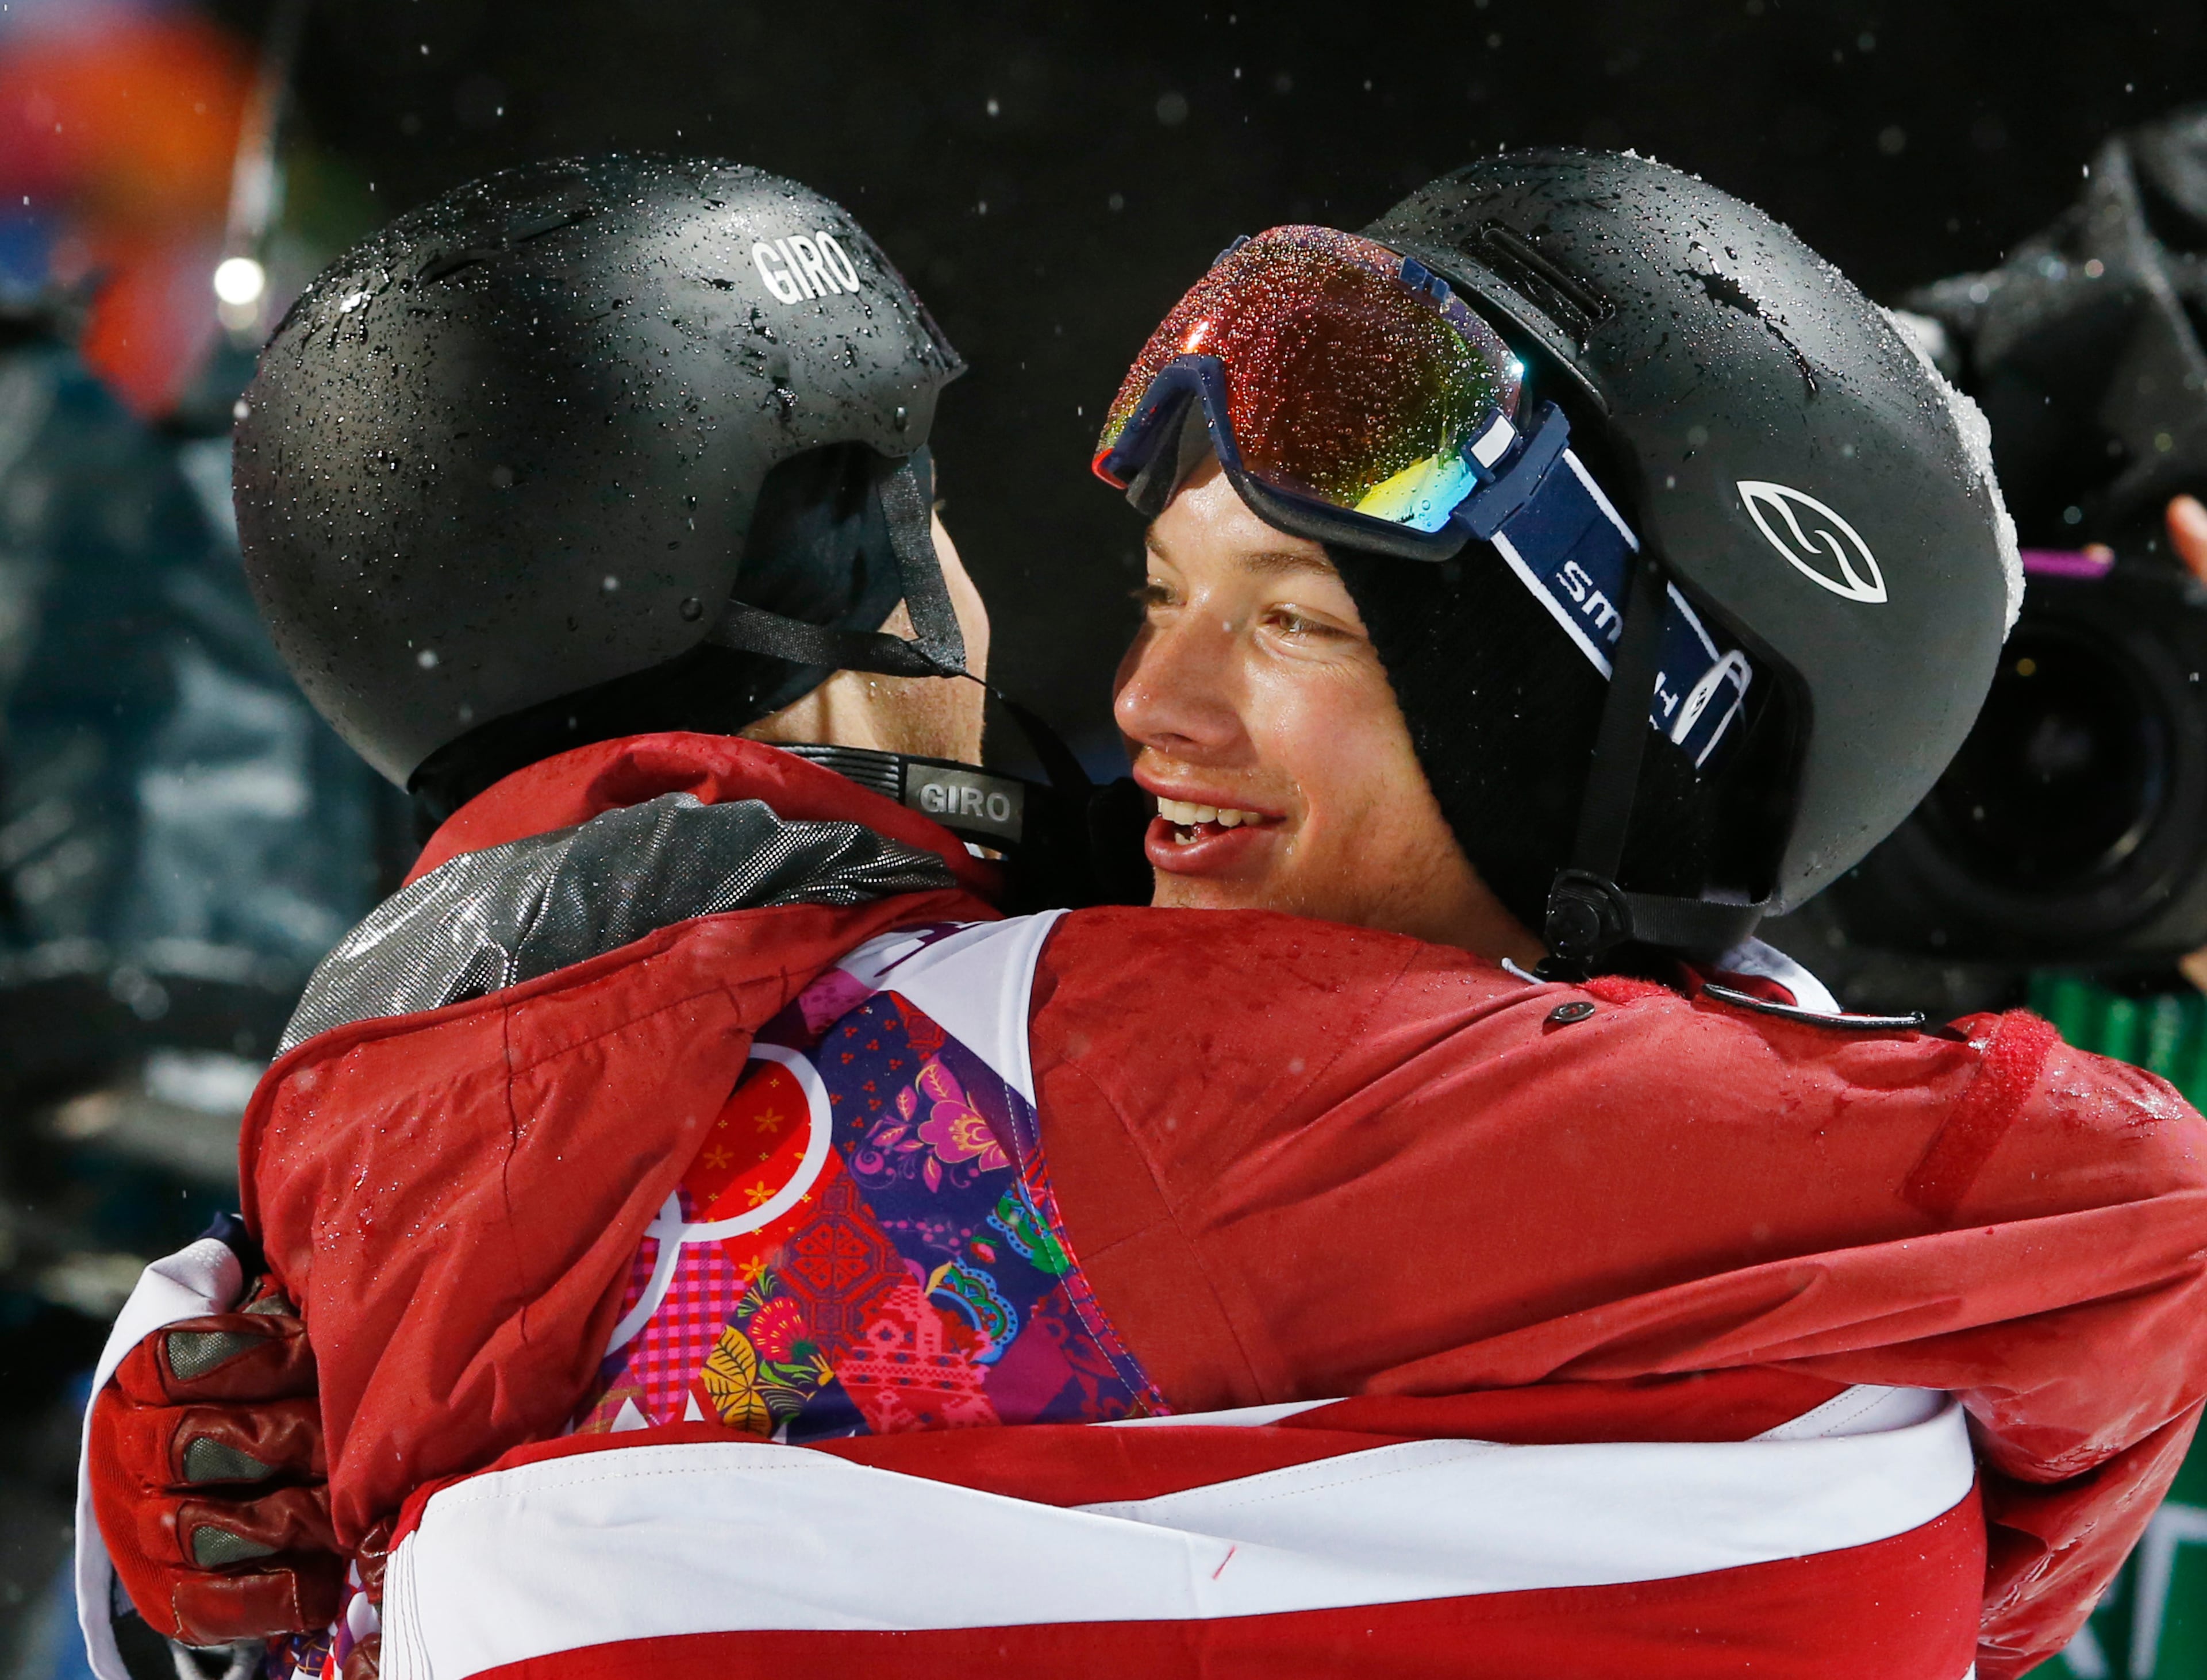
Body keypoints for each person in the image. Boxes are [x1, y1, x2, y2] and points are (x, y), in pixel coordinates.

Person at [84, 150, 2207, 1680]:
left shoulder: (887, 1024)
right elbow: (2116, 1228)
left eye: (1287, 618)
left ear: (1601, 725)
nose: (1139, 709)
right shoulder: (1066, 1062)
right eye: (1162, 599)